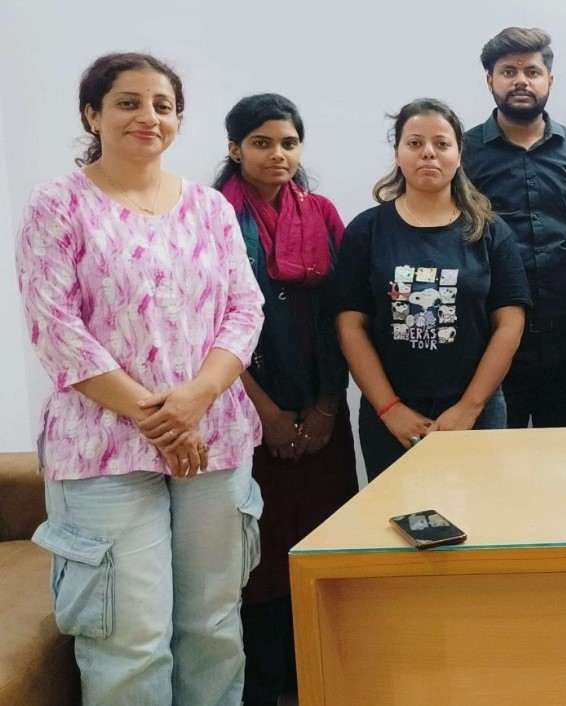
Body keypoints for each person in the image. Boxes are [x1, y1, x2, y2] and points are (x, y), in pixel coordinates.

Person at [15, 53, 264, 705]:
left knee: (213, 626)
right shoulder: (57, 203)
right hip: (103, 449)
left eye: (162, 105)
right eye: (127, 102)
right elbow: (55, 326)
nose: (147, 117)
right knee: (130, 642)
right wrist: (161, 418)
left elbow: (246, 309)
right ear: (91, 114)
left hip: (214, 440)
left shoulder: (210, 207)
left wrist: (196, 399)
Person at [213, 93, 357, 706]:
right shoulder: (213, 215)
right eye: (262, 142)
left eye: (289, 143)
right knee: (259, 549)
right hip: (244, 409)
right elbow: (211, 324)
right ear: (235, 148)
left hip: (321, 404)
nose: (278, 154)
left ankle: (324, 677)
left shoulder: (321, 213)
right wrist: (266, 414)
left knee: (324, 535)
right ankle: (266, 683)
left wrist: (327, 405)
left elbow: (346, 312)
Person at [335, 98, 531, 481]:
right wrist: (390, 408)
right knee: (395, 515)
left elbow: (510, 324)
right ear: (397, 153)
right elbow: (350, 326)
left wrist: (469, 408)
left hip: (476, 411)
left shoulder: (490, 231)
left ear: (459, 155)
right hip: (391, 417)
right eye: (414, 143)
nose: (428, 153)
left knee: (479, 511)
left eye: (442, 144)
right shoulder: (366, 231)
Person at [463, 27, 566, 428]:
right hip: (492, 344)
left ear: (550, 79)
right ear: (490, 80)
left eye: (531, 71)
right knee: (496, 459)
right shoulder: (462, 153)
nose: (521, 81)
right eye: (508, 71)